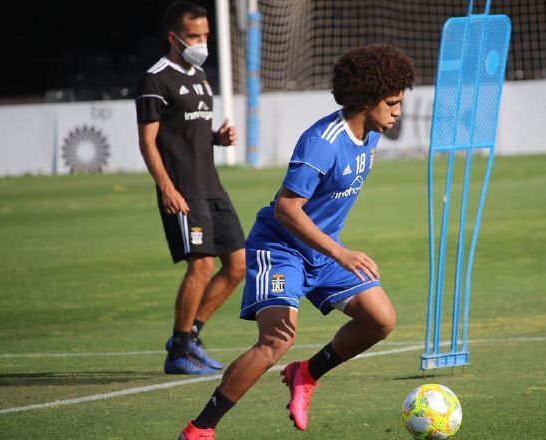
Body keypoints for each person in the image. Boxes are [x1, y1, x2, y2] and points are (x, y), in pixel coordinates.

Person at [178, 43, 415, 439]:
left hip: (321, 251)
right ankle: (200, 429)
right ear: (366, 99)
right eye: (392, 103)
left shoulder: (370, 135)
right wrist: (340, 252)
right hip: (281, 248)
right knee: (276, 339)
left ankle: (305, 374)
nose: (398, 112)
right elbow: (288, 209)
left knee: (381, 320)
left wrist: (332, 250)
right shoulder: (322, 142)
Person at [135, 1, 246, 375]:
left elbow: (189, 133)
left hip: (212, 187)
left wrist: (218, 138)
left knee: (237, 265)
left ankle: (190, 336)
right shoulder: (155, 79)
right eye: (194, 36)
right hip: (183, 189)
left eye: (205, 36)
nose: (201, 43)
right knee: (201, 265)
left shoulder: (199, 76)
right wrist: (165, 187)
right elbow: (148, 142)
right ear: (173, 37)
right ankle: (178, 352)